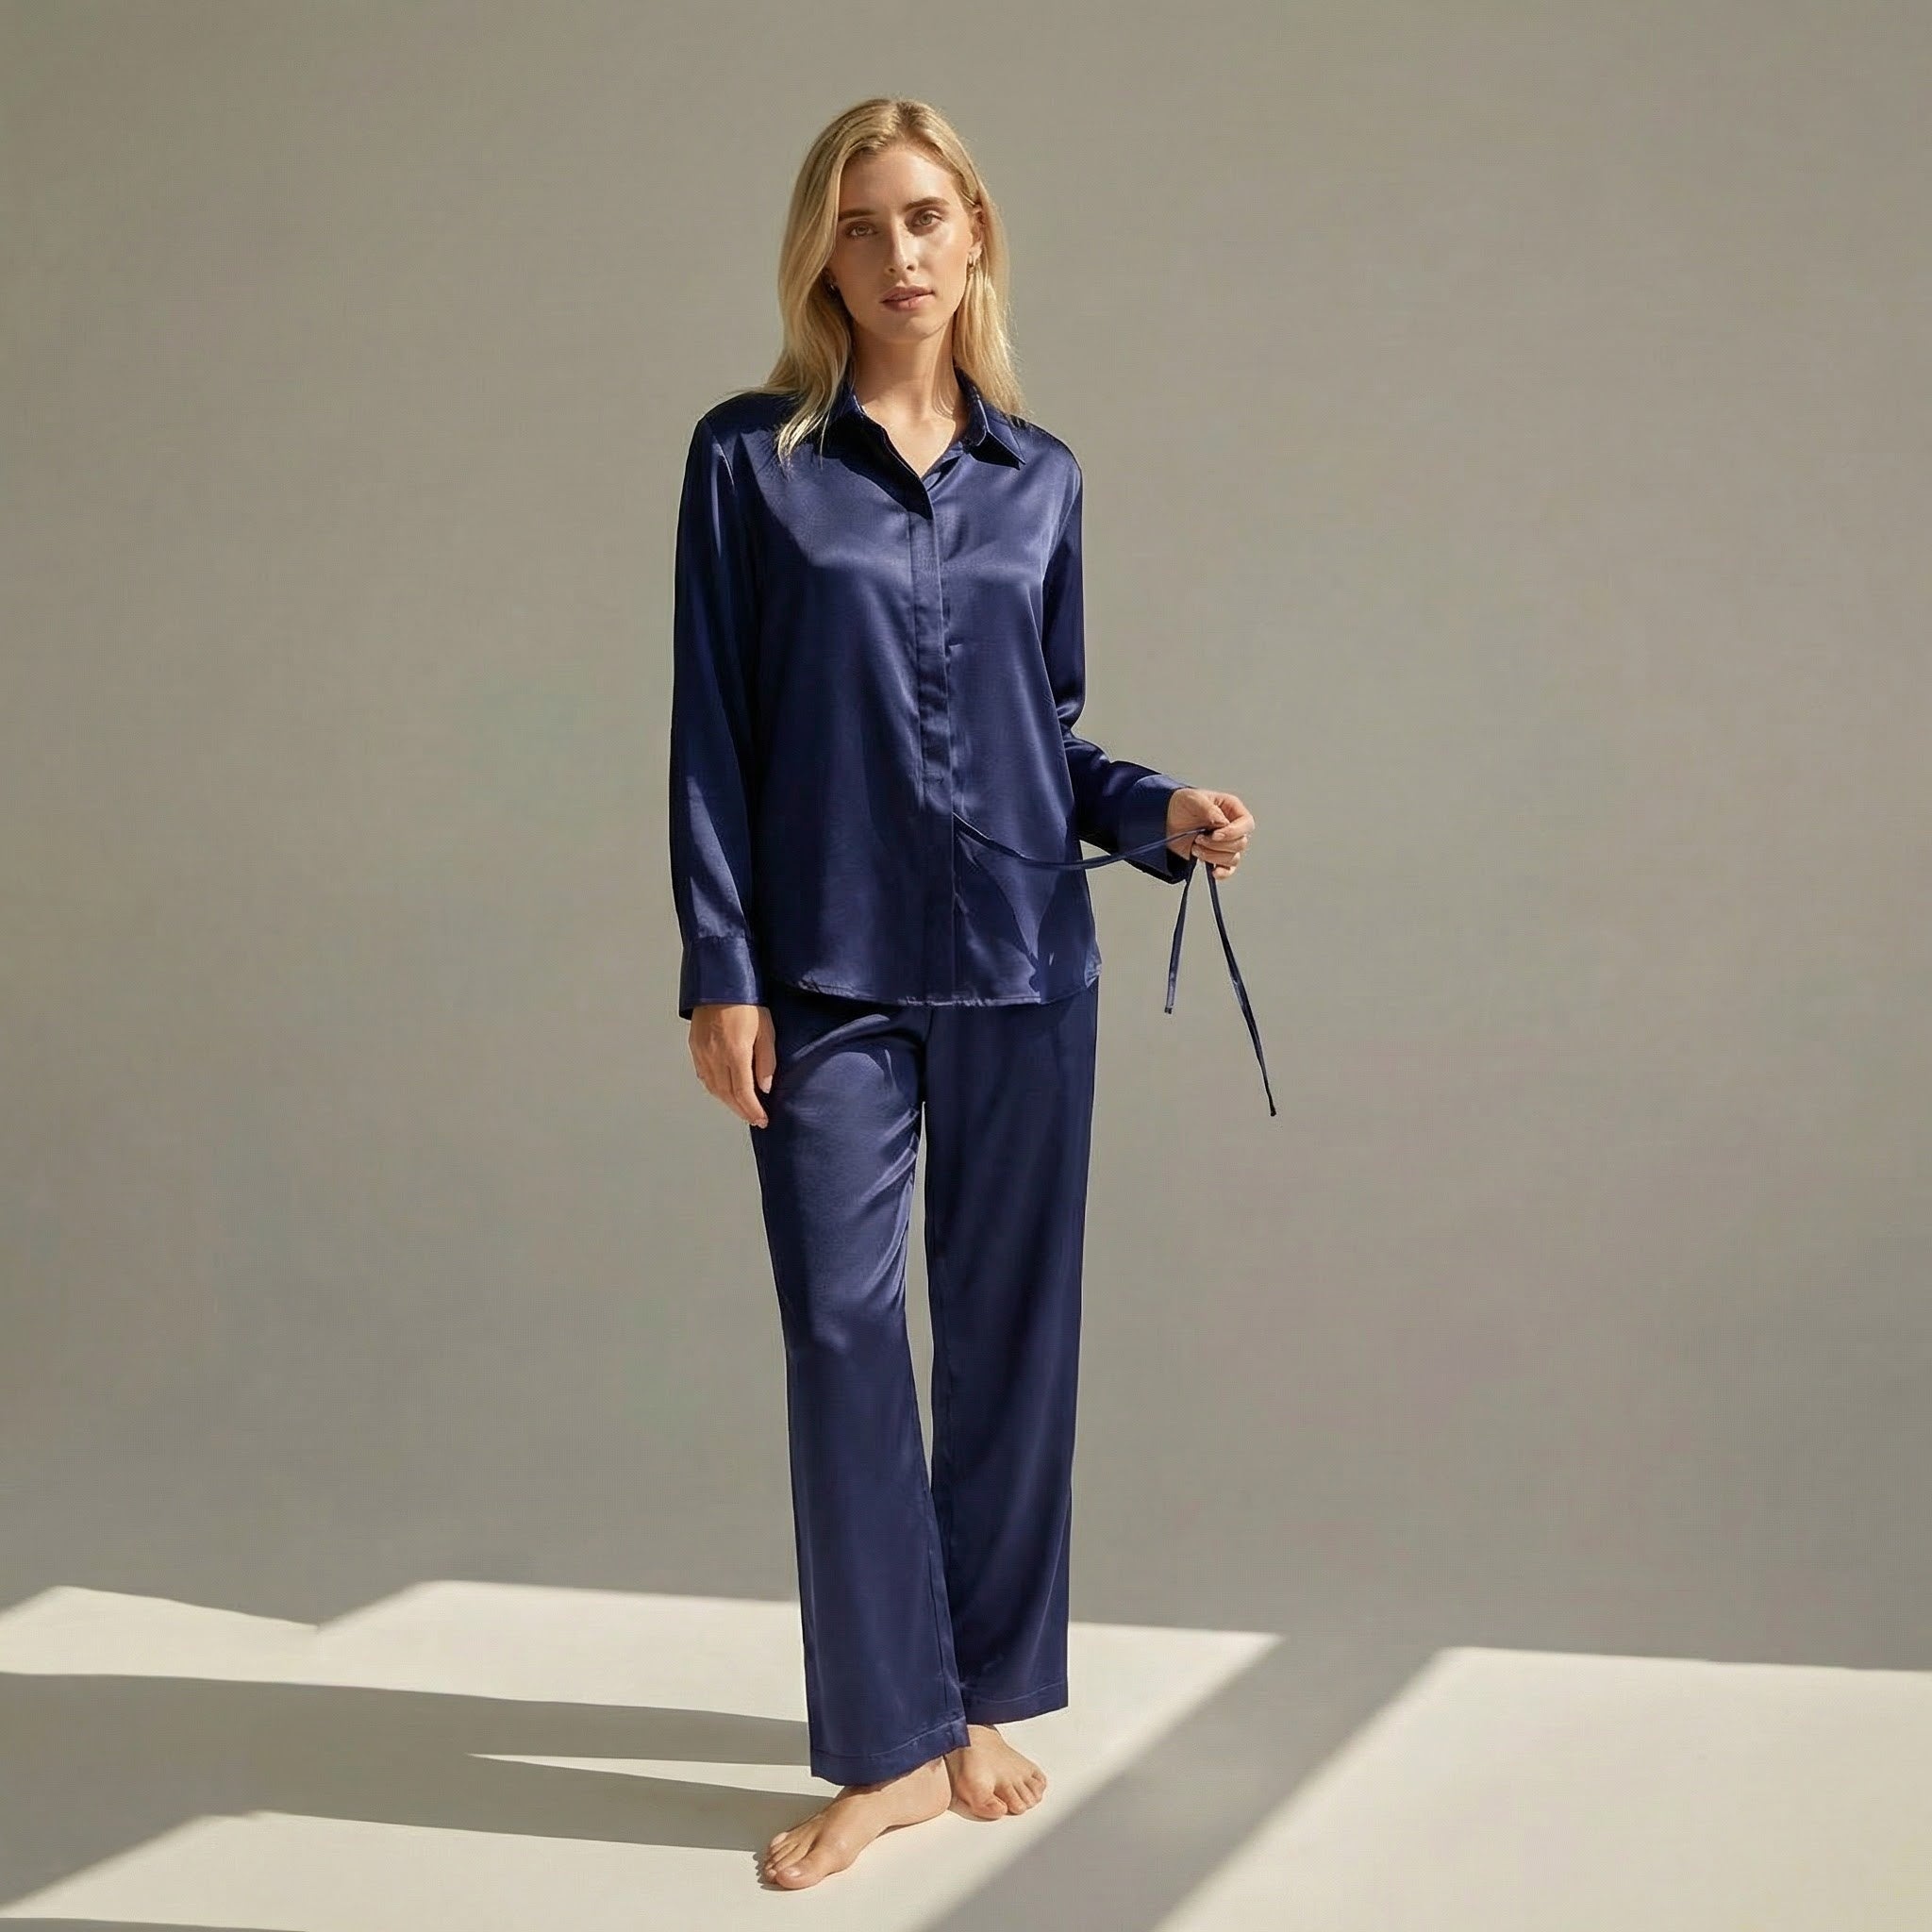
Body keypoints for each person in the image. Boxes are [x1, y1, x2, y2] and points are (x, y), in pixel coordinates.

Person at [667, 97, 1259, 1891]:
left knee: (1010, 1341)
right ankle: (886, 1748)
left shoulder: (1042, 477)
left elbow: (1042, 736)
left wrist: (1155, 813)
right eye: (863, 224)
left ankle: (975, 1709)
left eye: (927, 216)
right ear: (821, 254)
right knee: (845, 1333)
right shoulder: (748, 462)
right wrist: (720, 966)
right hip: (824, 973)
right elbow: (713, 734)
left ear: (976, 232)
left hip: (1022, 967)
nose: (899, 252)